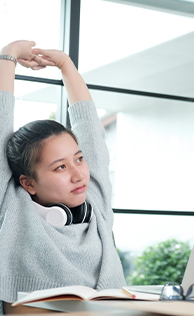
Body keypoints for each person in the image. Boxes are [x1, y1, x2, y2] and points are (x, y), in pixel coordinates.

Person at [0, 40, 126, 314]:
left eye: (79, 159)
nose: (78, 174)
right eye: (60, 167)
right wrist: (8, 56)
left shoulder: (95, 201)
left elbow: (89, 128)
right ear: (28, 183)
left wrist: (65, 65)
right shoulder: (12, 205)